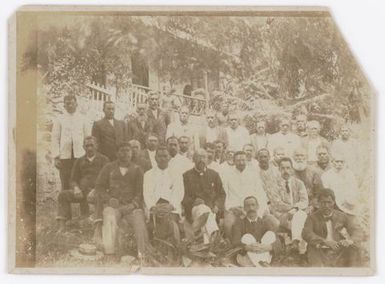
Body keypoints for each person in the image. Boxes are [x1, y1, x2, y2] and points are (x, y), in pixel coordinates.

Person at [94, 142, 150, 257]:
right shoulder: (109, 167)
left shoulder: (137, 169)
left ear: (132, 153)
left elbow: (140, 192)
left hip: (131, 206)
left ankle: (142, 254)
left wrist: (134, 204)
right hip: (114, 206)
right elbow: (99, 186)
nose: (125, 154)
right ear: (117, 153)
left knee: (139, 221)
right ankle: (109, 253)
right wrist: (109, 199)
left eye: (128, 151)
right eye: (122, 151)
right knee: (109, 216)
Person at [56, 136, 109, 231]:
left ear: (96, 146)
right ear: (83, 147)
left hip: (98, 192)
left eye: (92, 145)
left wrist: (96, 189)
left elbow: (107, 179)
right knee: (63, 195)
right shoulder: (79, 161)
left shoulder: (104, 160)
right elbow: (72, 179)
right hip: (82, 192)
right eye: (87, 146)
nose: (89, 148)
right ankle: (63, 226)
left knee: (99, 197)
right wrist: (76, 188)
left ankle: (98, 229)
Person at [302, 188, 361, 267]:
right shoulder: (312, 218)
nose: (326, 206)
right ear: (318, 203)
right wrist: (324, 241)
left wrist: (349, 241)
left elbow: (356, 230)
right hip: (319, 249)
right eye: (323, 203)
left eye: (329, 202)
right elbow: (306, 233)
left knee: (354, 250)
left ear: (334, 202)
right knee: (314, 256)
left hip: (338, 249)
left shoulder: (342, 216)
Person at [223, 151, 270, 238]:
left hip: (252, 207)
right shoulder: (227, 175)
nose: (241, 163)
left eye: (243, 160)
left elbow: (261, 194)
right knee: (228, 224)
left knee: (272, 222)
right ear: (234, 161)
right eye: (238, 160)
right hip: (235, 208)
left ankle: (263, 243)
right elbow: (224, 194)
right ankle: (232, 246)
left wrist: (260, 209)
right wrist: (231, 207)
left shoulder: (253, 174)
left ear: (246, 161)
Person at [182, 149, 226, 244]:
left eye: (204, 157)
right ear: (193, 159)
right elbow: (183, 196)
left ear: (207, 159)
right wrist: (193, 202)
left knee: (206, 216)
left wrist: (217, 205)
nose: (201, 160)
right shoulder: (186, 176)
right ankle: (215, 236)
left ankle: (207, 245)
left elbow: (222, 194)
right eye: (198, 157)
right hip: (194, 210)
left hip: (212, 210)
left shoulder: (214, 174)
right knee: (202, 209)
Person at [51, 95, 90, 191]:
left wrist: (88, 155)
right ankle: (65, 204)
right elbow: (55, 138)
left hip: (80, 155)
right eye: (67, 103)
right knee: (65, 180)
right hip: (65, 156)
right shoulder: (59, 119)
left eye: (72, 103)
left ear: (76, 104)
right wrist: (56, 157)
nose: (70, 105)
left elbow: (88, 138)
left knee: (81, 180)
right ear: (64, 105)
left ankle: (82, 204)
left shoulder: (83, 119)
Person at [270, 157, 308, 251]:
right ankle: (301, 250)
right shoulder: (274, 185)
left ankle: (295, 243)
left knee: (300, 216)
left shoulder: (299, 183)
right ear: (279, 169)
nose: (285, 171)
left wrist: (295, 209)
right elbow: (277, 203)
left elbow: (304, 201)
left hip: (297, 213)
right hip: (282, 215)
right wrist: (292, 209)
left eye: (288, 168)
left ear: (292, 169)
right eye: (282, 168)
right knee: (301, 218)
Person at [232, 196, 281, 267]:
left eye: (253, 205)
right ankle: (262, 265)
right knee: (247, 237)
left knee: (270, 234)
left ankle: (260, 264)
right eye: (248, 206)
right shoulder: (239, 223)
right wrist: (247, 247)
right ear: (244, 209)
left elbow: (278, 242)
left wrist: (268, 247)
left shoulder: (264, 222)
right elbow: (235, 242)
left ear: (257, 207)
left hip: (263, 253)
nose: (251, 208)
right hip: (246, 258)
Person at [143, 146, 184, 217]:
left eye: (165, 156)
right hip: (154, 209)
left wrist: (170, 206)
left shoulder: (176, 173)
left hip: (171, 209)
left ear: (170, 158)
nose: (162, 159)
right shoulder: (148, 174)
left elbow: (178, 192)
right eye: (160, 156)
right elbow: (147, 193)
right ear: (155, 158)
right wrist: (153, 207)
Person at [292, 147, 323, 212]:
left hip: (310, 205)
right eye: (297, 155)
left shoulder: (314, 172)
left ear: (306, 157)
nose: (299, 158)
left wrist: (312, 206)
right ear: (293, 157)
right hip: (293, 205)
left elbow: (319, 193)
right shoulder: (289, 171)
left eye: (302, 155)